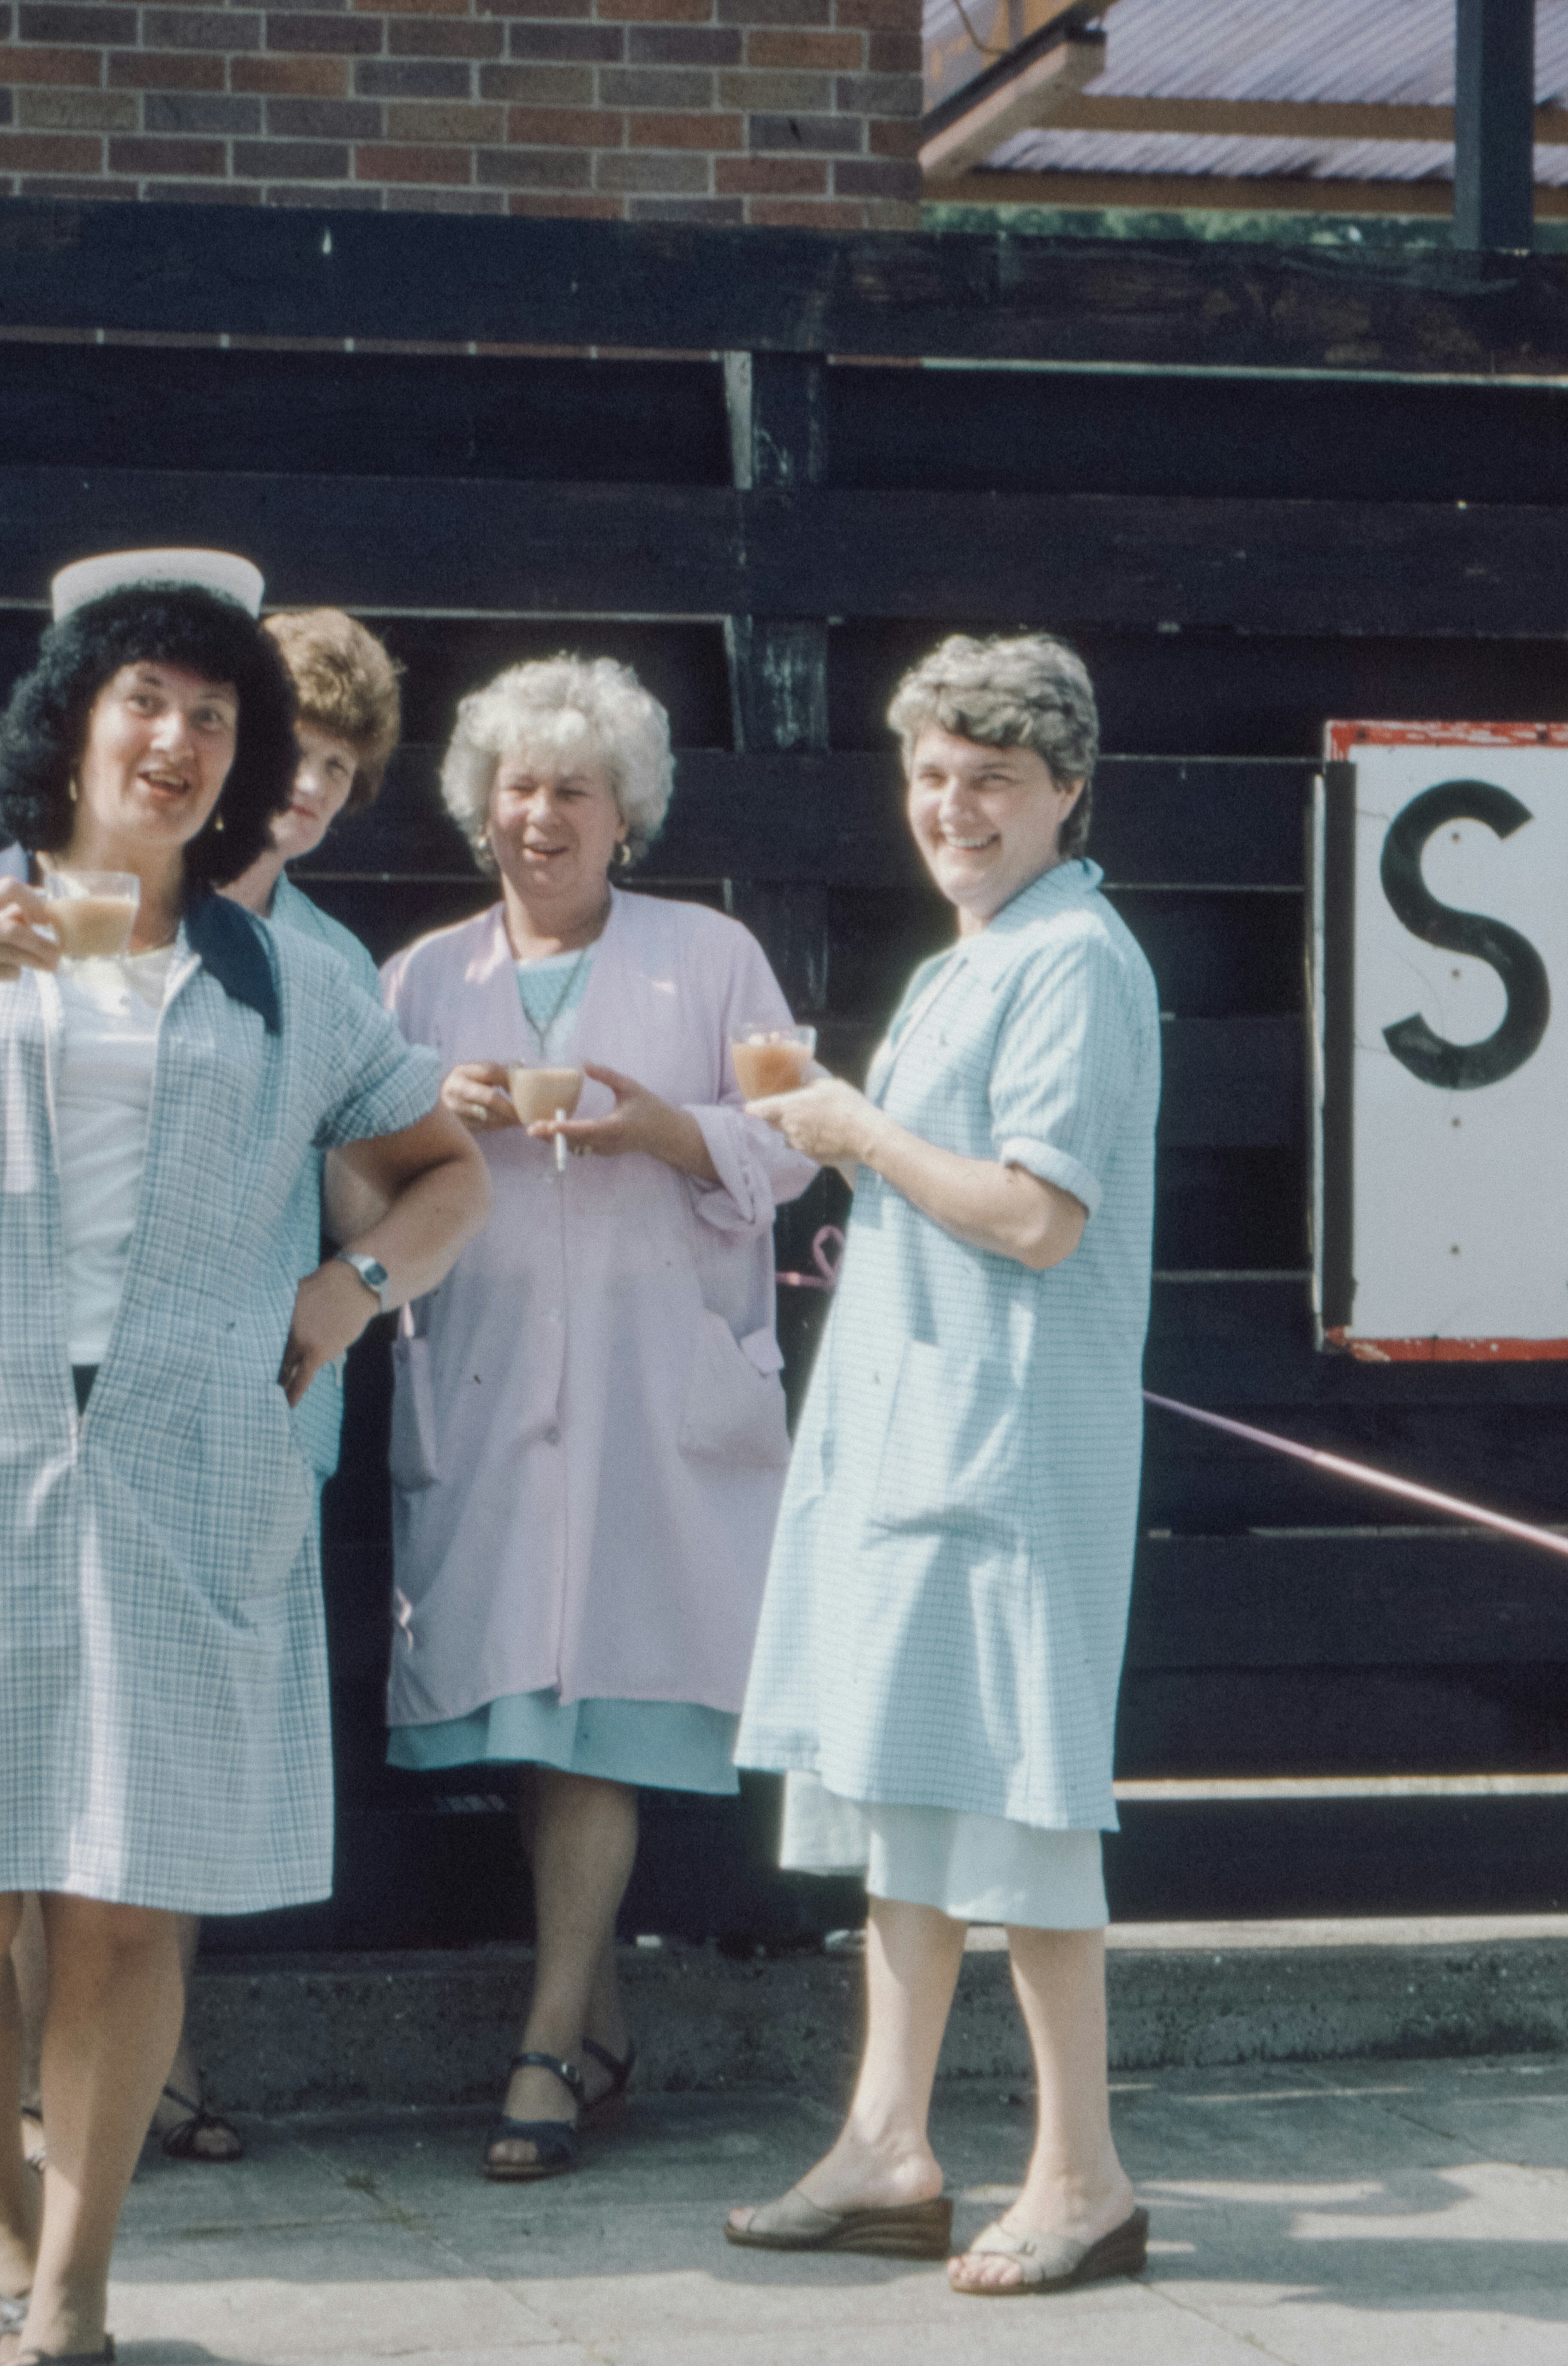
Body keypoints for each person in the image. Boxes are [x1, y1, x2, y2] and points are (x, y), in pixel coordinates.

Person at [0, 554, 489, 2366]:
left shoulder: (291, 973)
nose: (172, 743)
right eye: (143, 702)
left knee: (126, 1896)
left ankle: (71, 2293)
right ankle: (3, 2230)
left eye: (213, 721)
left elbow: (444, 1173)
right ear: (70, 721)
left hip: (181, 1461)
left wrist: (342, 1290)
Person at [725, 632, 1159, 2297]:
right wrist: (851, 1138)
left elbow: (1037, 1219)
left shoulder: (1075, 960)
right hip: (916, 1429)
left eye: (992, 777)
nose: (954, 807)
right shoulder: (962, 960)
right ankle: (885, 2145)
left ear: (1065, 790)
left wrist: (854, 1135)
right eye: (930, 776)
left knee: (1023, 1801)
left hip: (1011, 1444)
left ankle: (1083, 2174)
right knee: (906, 1781)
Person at [374, 654, 819, 2182]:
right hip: (492, 1384)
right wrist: (448, 1107)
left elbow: (797, 1137)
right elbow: (360, 1151)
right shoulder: (426, 976)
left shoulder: (708, 954)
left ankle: (545, 2048)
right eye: (514, 785)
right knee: (539, 1721)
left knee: (594, 1723)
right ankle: (593, 2023)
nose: (538, 814)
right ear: (476, 804)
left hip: (651, 1380)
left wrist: (659, 1125)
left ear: (625, 813)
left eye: (572, 788)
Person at [6, 606, 411, 2176]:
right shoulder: (48, 913)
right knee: (44, 1756)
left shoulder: (319, 963)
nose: (302, 788)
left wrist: (353, 1286)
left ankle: (133, 2068)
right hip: (50, 1407)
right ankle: (59, 2090)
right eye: (286, 748)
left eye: (333, 766)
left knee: (166, 1767)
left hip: (251, 1406)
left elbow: (387, 1196)